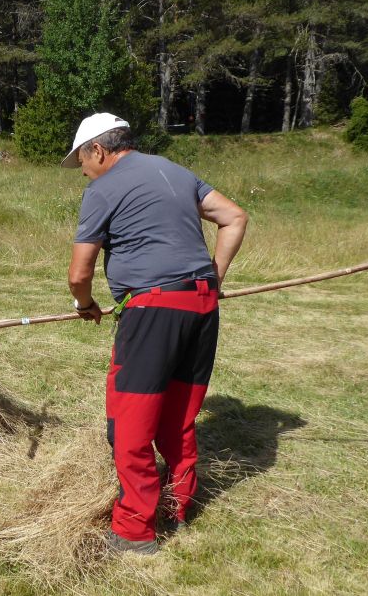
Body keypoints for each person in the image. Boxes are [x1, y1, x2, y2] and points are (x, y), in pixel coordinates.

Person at [63, 113, 248, 554]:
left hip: (155, 309)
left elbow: (78, 273)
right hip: (201, 305)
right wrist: (214, 278)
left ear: (98, 150)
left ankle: (134, 530)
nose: (83, 172)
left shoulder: (103, 188)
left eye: (82, 161)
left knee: (130, 424)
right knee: (177, 416)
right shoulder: (176, 171)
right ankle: (178, 505)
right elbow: (234, 217)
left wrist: (85, 304)